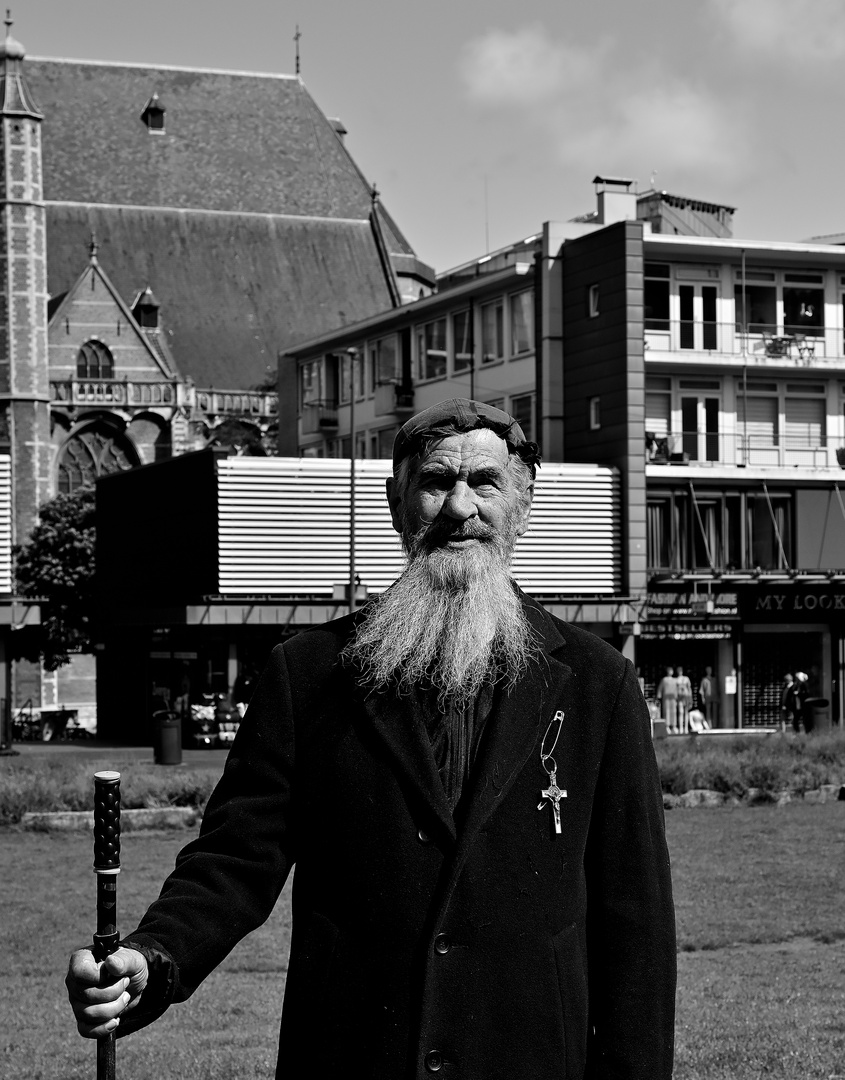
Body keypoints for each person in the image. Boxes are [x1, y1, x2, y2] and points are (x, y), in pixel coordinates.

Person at [66, 398, 676, 1079]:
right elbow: (235, 859)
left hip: (529, 1056)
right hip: (352, 1055)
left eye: (483, 483)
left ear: (522, 504)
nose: (458, 508)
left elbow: (636, 929)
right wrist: (154, 957)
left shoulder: (597, 685)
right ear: (395, 502)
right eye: (436, 481)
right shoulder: (309, 675)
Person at [656, 666, 678, 731]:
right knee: (667, 711)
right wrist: (658, 696)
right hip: (666, 698)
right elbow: (660, 688)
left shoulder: (675, 680)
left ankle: (674, 726)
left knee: (674, 711)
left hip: (673, 698)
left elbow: (678, 689)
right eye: (669, 670)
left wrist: (678, 697)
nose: (670, 672)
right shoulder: (664, 679)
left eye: (671, 670)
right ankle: (667, 726)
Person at [675, 665, 693, 735]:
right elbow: (675, 690)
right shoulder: (676, 679)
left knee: (686, 712)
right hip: (679, 697)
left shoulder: (686, 678)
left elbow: (689, 688)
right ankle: (680, 728)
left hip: (686, 696)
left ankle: (685, 728)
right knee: (680, 712)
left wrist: (690, 699)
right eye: (678, 670)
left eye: (681, 670)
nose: (680, 671)